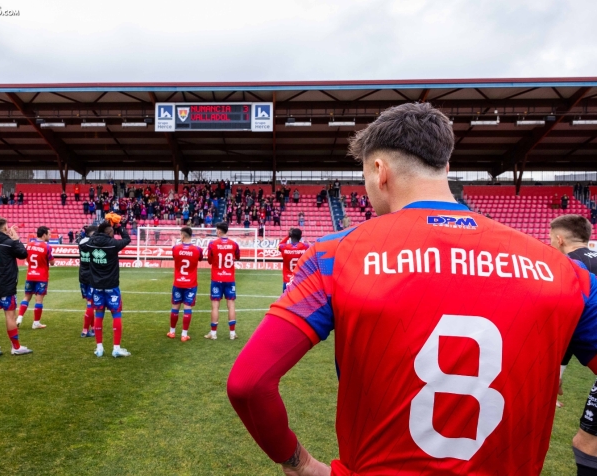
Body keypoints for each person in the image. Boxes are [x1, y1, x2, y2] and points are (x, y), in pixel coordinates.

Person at [226, 102, 597, 475]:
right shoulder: (565, 271)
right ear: (446, 167)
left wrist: (300, 463)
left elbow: (248, 383)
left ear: (379, 171)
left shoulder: (335, 255)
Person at [549, 214, 597, 474]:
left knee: (588, 445)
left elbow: (568, 323)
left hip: (582, 342)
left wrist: (556, 374)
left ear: (558, 239)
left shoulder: (564, 266)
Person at [0, 216, 32, 358]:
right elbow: (23, 254)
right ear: (5, 228)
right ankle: (15, 347)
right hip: (6, 285)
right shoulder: (9, 243)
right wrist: (16, 239)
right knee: (10, 315)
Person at [87, 217, 132, 358]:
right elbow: (127, 239)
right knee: (116, 314)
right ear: (110, 233)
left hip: (96, 286)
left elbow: (88, 236)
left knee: (99, 315)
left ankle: (99, 348)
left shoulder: (90, 243)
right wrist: (119, 226)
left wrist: (103, 228)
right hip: (111, 285)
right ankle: (116, 348)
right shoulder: (113, 244)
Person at [168, 226, 204, 342]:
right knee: (187, 308)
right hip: (191, 284)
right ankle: (184, 335)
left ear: (183, 235)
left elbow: (175, 258)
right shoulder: (197, 249)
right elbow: (200, 259)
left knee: (175, 307)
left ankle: (172, 332)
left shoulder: (175, 248)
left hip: (178, 283)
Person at [206, 222, 241, 340]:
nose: (216, 232)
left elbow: (210, 261)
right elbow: (238, 257)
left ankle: (213, 333)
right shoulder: (234, 244)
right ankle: (232, 334)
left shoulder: (212, 244)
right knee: (231, 305)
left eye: (216, 230)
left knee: (215, 306)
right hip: (229, 278)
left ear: (220, 231)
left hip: (216, 278)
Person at [16, 226, 55, 329]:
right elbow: (52, 262)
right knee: (39, 300)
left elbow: (27, 259)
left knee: (27, 297)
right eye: (49, 234)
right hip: (41, 276)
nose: (50, 236)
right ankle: (36, 323)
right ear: (44, 235)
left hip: (30, 275)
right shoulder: (47, 247)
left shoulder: (28, 245)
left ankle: (19, 318)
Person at [78, 226, 98, 337]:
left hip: (82, 275)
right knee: (91, 305)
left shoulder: (81, 242)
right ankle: (85, 330)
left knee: (89, 303)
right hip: (92, 276)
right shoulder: (93, 243)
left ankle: (93, 328)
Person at [278, 228, 308, 292]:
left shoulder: (284, 247)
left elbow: (279, 245)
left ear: (291, 236)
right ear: (300, 237)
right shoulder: (305, 246)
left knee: (286, 301)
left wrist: (288, 236)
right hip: (300, 280)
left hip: (287, 281)